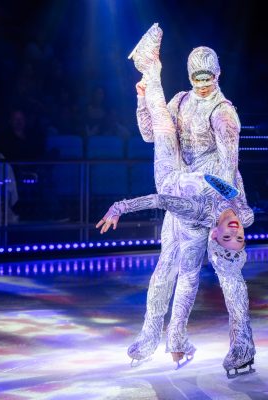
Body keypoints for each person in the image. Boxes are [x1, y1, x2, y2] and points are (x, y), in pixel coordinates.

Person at [97, 23, 256, 376]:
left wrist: (225, 210)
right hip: (182, 191)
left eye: (207, 77)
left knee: (226, 270)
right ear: (189, 75)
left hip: (214, 197)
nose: (202, 83)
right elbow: (150, 133)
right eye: (196, 77)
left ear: (217, 74)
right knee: (168, 264)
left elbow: (228, 167)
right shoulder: (181, 101)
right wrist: (142, 98)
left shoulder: (224, 113)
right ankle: (153, 333)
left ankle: (242, 343)